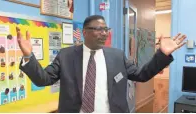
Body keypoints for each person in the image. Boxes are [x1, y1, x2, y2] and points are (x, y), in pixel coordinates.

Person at [16, 15, 186, 113]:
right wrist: (28, 56)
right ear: (84, 32)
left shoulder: (117, 56)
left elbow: (142, 75)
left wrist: (162, 55)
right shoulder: (66, 55)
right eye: (98, 29)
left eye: (106, 29)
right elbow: (43, 79)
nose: (104, 33)